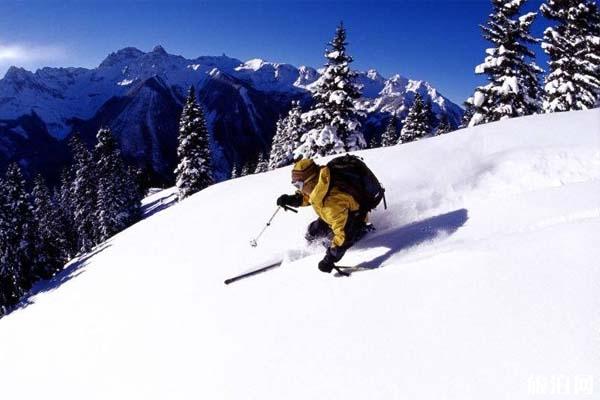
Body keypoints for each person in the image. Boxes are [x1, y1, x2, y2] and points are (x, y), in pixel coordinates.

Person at [276, 158, 371, 273]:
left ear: (310, 181)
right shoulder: (319, 185)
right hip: (332, 219)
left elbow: (343, 235)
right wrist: (292, 199)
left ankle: (365, 231)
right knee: (312, 231)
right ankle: (308, 250)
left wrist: (329, 259)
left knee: (331, 241)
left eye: (299, 185)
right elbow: (309, 197)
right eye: (295, 185)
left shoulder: (331, 202)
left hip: (352, 223)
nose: (298, 189)